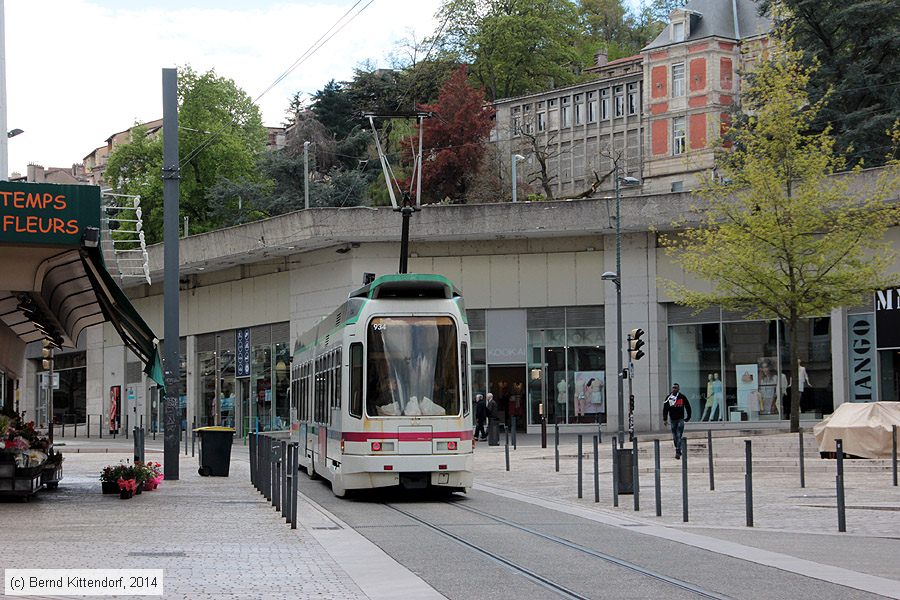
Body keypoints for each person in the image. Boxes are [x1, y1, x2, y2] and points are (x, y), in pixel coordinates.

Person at [663, 383, 691, 459]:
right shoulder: (668, 398)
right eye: (673, 388)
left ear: (678, 389)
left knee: (679, 434)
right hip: (673, 419)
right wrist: (665, 419)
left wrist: (688, 417)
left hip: (680, 419)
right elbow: (665, 409)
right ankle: (678, 447)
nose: (674, 389)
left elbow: (688, 406)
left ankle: (678, 451)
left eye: (676, 388)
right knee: (675, 436)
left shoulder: (682, 397)